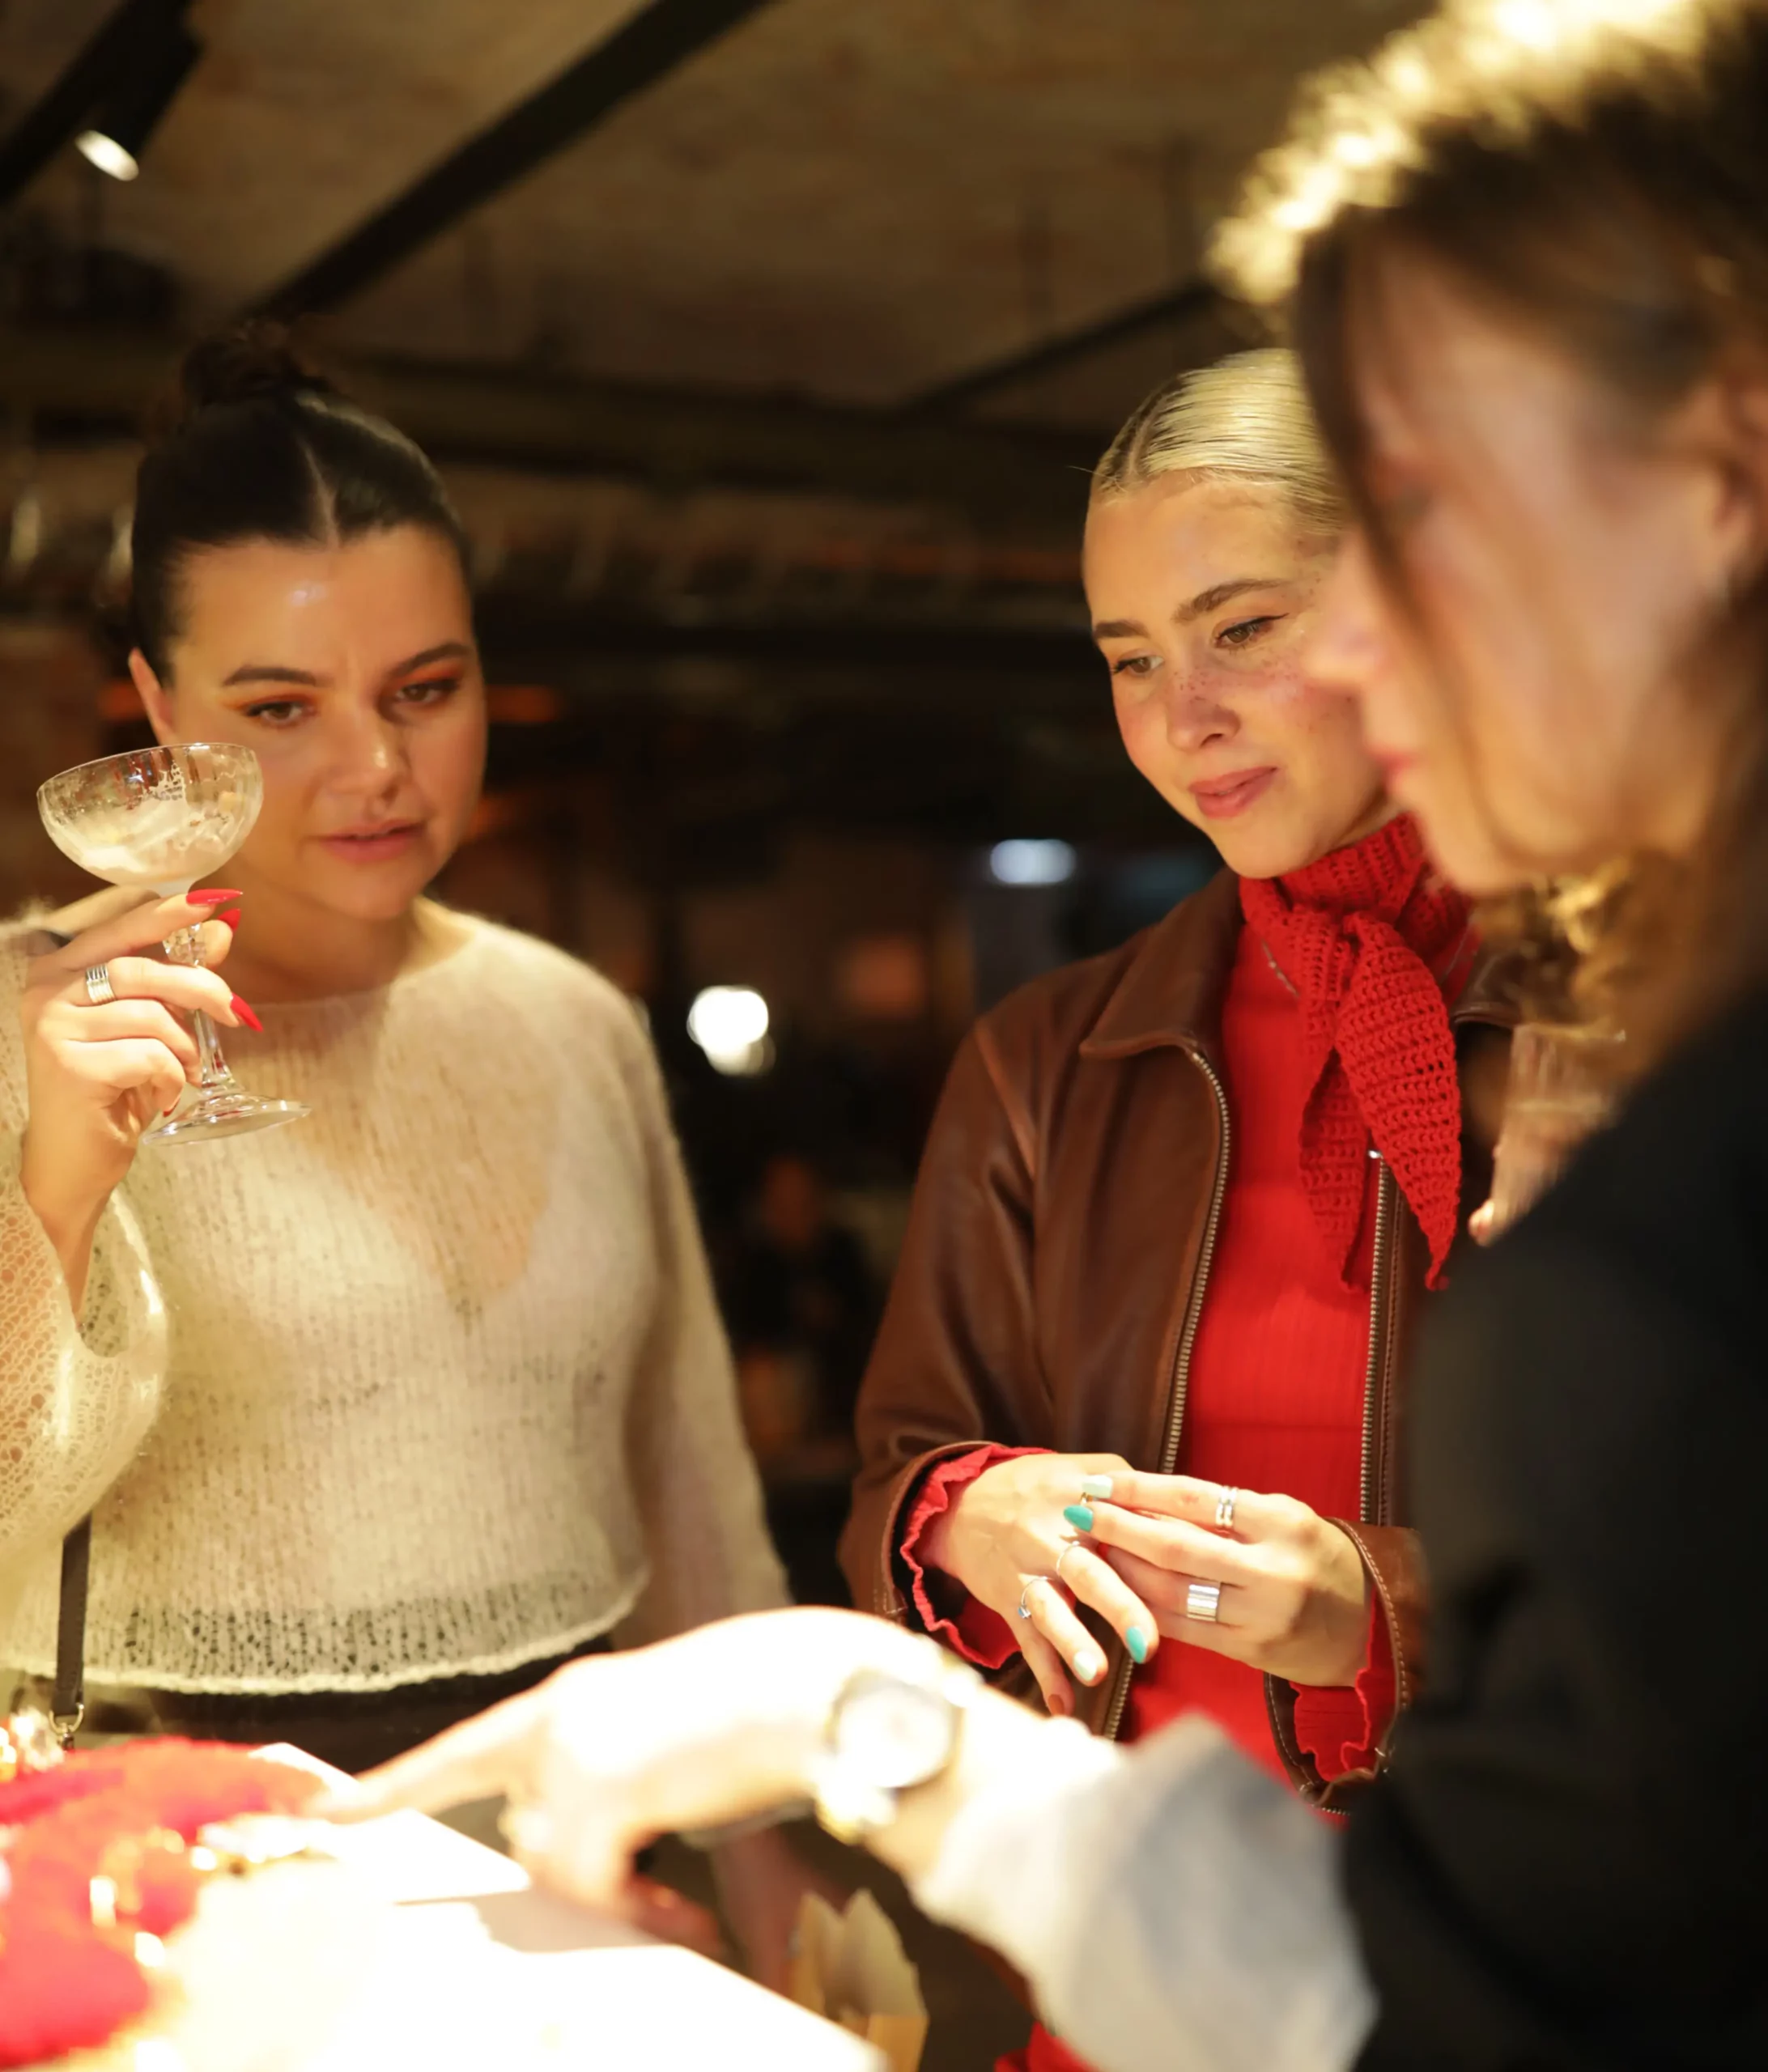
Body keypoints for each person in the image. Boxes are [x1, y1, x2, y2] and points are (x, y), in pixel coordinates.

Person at [337, 2, 1768, 2066]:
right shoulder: (1073, 1047)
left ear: (1722, 469)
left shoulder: (1665, 1179)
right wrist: (923, 1602)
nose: (1351, 650)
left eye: (1414, 522)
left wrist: (870, 1726)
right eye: (1130, 655)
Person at [0, 329, 805, 1979]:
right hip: (196, 1851)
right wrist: (54, 1188)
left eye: (426, 691)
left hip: (581, 1843)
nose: (376, 766)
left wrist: (773, 1873)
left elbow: (686, 1473)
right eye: (279, 706)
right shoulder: (34, 1018)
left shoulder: (570, 1017)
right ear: (154, 706)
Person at [840, 354, 1510, 2060]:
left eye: (1243, 629)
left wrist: (1382, 1607)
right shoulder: (1054, 1055)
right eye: (1130, 659)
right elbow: (896, 1477)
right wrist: (966, 1513)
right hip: (1142, 1973)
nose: (1177, 714)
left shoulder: (1626, 1013)